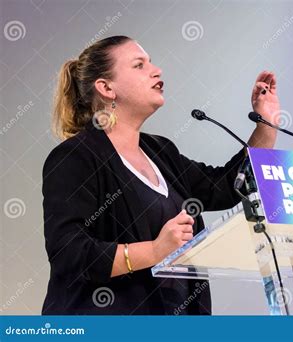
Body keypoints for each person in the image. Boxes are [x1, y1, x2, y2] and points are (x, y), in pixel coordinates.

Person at [42, 35, 280, 314]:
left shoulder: (161, 151)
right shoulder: (76, 157)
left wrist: (267, 124)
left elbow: (226, 187)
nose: (157, 70)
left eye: (151, 62)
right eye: (139, 65)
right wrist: (154, 251)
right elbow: (69, 254)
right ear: (106, 88)